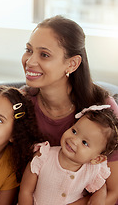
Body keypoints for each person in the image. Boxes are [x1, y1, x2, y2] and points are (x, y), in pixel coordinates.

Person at [21, 15, 118, 204]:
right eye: (28, 50)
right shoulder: (20, 105)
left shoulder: (105, 111)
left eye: (44, 54)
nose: (30, 61)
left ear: (72, 64)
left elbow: (114, 191)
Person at [19, 105, 118, 205]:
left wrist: (99, 196)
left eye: (84, 143)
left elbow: (100, 186)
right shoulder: (43, 156)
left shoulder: (92, 169)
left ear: (97, 159)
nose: (74, 140)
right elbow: (26, 191)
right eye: (74, 131)